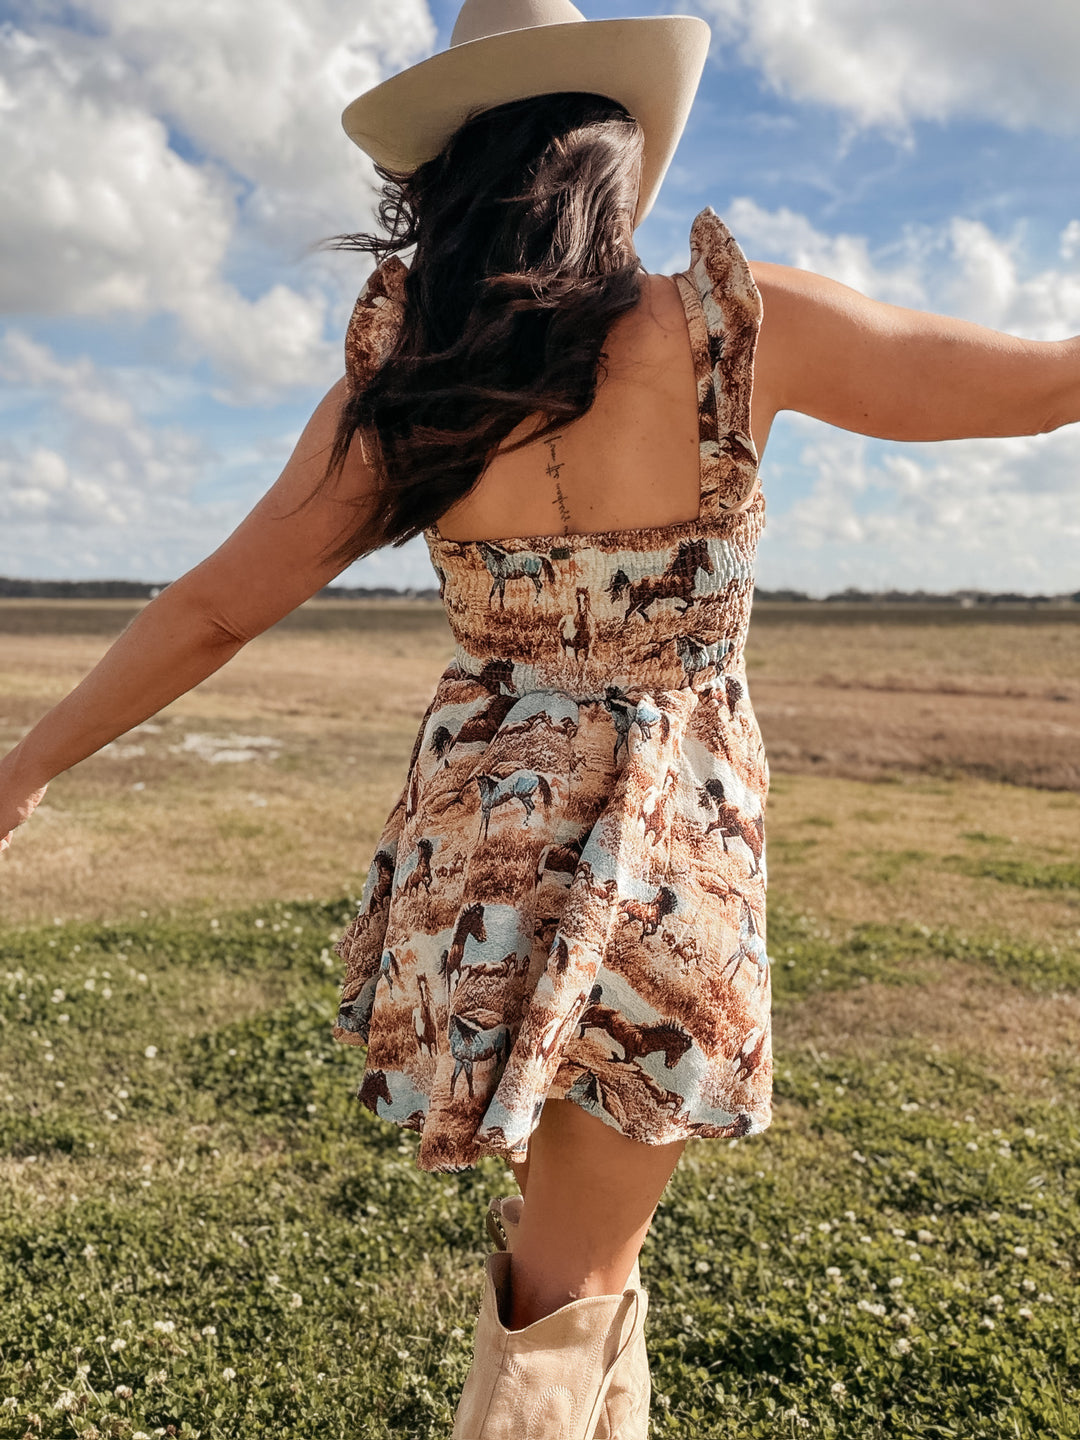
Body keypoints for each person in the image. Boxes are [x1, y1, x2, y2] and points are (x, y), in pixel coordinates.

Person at [2, 1, 1078, 1435]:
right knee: (573, 1270)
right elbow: (1046, 385)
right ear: (606, 156)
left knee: (562, 1263)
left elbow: (211, 607)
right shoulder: (730, 332)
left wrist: (27, 765)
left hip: (484, 858)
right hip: (659, 852)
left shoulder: (415, 390)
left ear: (444, 181)